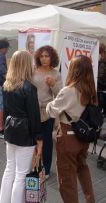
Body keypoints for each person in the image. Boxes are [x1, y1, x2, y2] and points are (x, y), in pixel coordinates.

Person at [46, 55, 96, 203]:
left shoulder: (68, 91)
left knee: (67, 179)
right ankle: (90, 199)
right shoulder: (91, 90)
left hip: (68, 137)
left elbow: (52, 111)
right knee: (82, 168)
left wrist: (50, 103)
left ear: (74, 70)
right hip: (83, 137)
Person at [0, 50, 43, 203]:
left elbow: (5, 111)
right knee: (21, 174)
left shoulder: (7, 84)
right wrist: (39, 139)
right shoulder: (29, 88)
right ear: (26, 65)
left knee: (10, 169)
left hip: (11, 129)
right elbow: (34, 116)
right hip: (25, 132)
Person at [32, 45, 62, 178]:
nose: (44, 59)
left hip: (47, 111)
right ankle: (34, 165)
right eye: (42, 56)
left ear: (52, 57)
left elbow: (60, 94)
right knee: (32, 139)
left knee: (47, 140)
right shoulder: (32, 70)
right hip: (32, 110)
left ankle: (47, 168)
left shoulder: (56, 73)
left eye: (47, 56)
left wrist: (53, 84)